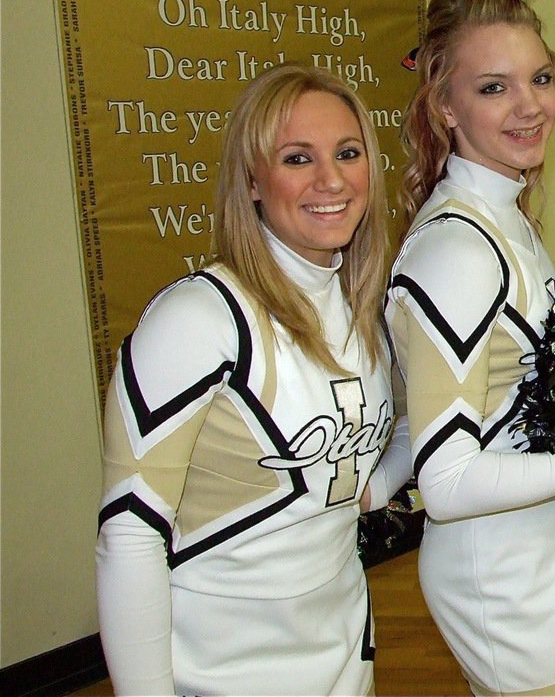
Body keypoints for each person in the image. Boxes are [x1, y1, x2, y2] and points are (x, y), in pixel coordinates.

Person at [95, 62, 409, 695]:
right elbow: (128, 534)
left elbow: (401, 433)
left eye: (348, 153)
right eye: (297, 158)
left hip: (344, 653)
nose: (331, 180)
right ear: (252, 181)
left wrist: (363, 495)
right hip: (221, 672)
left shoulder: (365, 305)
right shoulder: (198, 317)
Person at [384, 0, 555, 697]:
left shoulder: (508, 219)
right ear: (446, 106)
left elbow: (452, 413)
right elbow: (444, 483)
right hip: (495, 571)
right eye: (494, 87)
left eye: (540, 78)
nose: (530, 105)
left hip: (534, 543)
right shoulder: (461, 250)